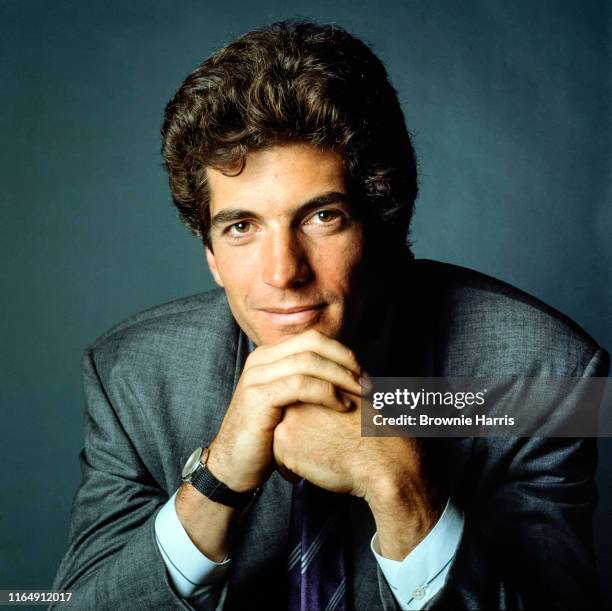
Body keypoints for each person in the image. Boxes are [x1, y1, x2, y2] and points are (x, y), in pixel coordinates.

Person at [52, 19, 609, 610]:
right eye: (241, 227)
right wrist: (217, 480)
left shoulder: (545, 378)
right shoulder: (133, 379)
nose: (282, 271)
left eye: (321, 217)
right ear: (212, 256)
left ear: (383, 223)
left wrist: (400, 486)